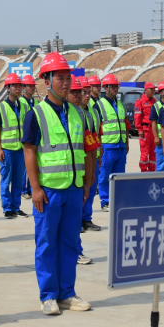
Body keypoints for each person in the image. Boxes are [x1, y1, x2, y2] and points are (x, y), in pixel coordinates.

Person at [22, 53, 95, 315]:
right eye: (60, 78)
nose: (66, 83)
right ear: (46, 81)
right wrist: (36, 188)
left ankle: (67, 293)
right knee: (46, 243)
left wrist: (87, 183)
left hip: (74, 190)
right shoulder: (36, 115)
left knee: (70, 242)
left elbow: (87, 150)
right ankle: (49, 295)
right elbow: (29, 151)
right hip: (49, 191)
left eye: (68, 78)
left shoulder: (79, 114)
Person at [66, 76, 98, 264]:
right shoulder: (55, 116)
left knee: (74, 220)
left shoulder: (84, 115)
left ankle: (76, 251)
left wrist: (90, 174)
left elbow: (90, 145)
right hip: (56, 180)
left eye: (82, 92)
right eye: (75, 92)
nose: (80, 95)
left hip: (77, 177)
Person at [0, 73, 28, 219]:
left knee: (18, 180)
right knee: (6, 180)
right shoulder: (0, 107)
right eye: (15, 85)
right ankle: (7, 208)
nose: (19, 88)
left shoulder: (24, 106)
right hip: (7, 150)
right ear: (8, 88)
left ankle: (16, 207)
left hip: (20, 150)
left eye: (20, 85)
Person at [93, 73, 128, 212]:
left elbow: (124, 124)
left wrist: (127, 143)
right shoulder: (98, 105)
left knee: (119, 176)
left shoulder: (120, 104)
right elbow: (96, 128)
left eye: (116, 86)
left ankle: (118, 200)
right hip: (107, 147)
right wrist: (99, 147)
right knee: (105, 176)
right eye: (112, 86)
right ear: (105, 88)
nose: (115, 89)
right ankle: (105, 201)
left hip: (120, 145)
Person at [78, 76, 101, 233]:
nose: (86, 95)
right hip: (79, 160)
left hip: (93, 157)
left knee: (91, 190)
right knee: (79, 192)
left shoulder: (92, 112)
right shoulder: (72, 113)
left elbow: (96, 135)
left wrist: (99, 153)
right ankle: (77, 220)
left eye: (88, 92)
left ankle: (87, 219)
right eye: (83, 92)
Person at [134, 82, 156, 172]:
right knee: (145, 152)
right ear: (146, 90)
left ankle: (152, 170)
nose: (154, 91)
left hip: (153, 130)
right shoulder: (140, 101)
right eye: (152, 89)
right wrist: (139, 129)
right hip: (145, 130)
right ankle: (144, 170)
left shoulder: (154, 101)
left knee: (153, 152)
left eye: (154, 89)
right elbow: (137, 116)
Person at [150, 80, 164, 172]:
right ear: (162, 93)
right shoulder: (156, 106)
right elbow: (153, 122)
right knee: (160, 164)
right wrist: (156, 137)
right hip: (161, 140)